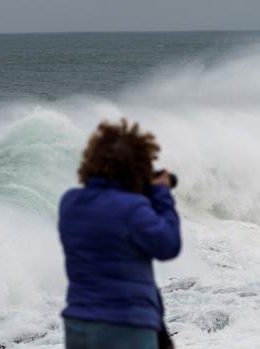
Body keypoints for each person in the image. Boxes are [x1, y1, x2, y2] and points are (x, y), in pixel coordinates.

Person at [58, 119, 181, 349]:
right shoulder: (133, 209)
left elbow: (108, 218)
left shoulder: (70, 202)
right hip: (126, 326)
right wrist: (161, 193)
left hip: (79, 324)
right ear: (139, 168)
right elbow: (168, 245)